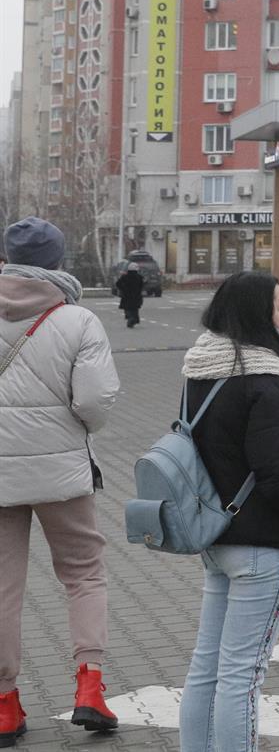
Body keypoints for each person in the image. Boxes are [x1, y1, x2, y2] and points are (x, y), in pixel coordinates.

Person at [178, 271, 279, 751]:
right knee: (242, 676)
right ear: (256, 316)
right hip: (262, 546)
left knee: (207, 667)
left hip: (215, 534)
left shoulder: (201, 371)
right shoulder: (264, 379)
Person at [0, 218, 121, 743]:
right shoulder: (77, 319)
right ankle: (89, 686)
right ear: (58, 260)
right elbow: (95, 401)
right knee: (84, 573)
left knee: (2, 588)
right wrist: (75, 426)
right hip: (62, 473)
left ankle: (4, 706)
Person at [113, 264, 145, 329]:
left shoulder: (125, 277)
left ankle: (130, 318)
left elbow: (118, 284)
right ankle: (133, 319)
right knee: (135, 309)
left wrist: (123, 289)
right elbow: (142, 286)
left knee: (127, 309)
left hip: (126, 296)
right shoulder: (139, 277)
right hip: (136, 296)